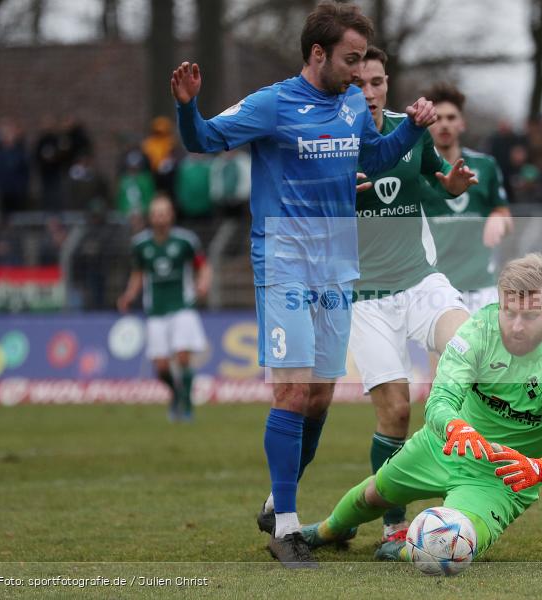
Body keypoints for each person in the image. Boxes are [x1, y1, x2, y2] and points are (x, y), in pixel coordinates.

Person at [170, 1, 438, 566]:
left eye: (365, 61)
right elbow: (204, 141)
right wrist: (187, 108)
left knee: (318, 397)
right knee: (290, 391)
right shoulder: (272, 103)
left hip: (338, 267)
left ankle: (277, 498)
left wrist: (411, 130)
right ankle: (287, 529)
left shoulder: (347, 104)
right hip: (285, 262)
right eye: (351, 60)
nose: (360, 74)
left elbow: (374, 152)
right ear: (318, 54)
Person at [262, 46, 475, 545]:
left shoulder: (410, 129)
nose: (370, 93)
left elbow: (434, 183)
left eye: (377, 82)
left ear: (386, 84)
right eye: (358, 84)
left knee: (468, 346)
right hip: (360, 298)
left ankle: (456, 476)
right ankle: (392, 525)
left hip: (421, 282)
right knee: (390, 411)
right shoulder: (324, 139)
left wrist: (452, 184)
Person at [299, 253, 542, 562]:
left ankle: (404, 551)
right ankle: (329, 530)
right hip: (445, 445)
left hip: (504, 476)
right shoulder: (477, 332)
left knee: (453, 544)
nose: (517, 327)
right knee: (377, 492)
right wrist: (454, 426)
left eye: (530, 315)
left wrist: (541, 467)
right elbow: (440, 400)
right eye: (509, 313)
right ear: (499, 302)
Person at [117, 195, 211, 421]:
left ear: (171, 215)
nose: (160, 217)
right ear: (151, 216)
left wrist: (203, 283)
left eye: (164, 212)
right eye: (156, 213)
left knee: (182, 357)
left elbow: (203, 266)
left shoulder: (185, 241)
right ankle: (177, 394)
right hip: (156, 310)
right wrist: (129, 295)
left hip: (182, 306)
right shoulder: (140, 245)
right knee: (160, 366)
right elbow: (138, 274)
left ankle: (187, 407)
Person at [424, 82, 513, 313]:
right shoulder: (416, 170)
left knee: (488, 349)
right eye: (438, 117)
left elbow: (505, 215)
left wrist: (498, 216)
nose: (444, 123)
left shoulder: (486, 166)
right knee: (444, 350)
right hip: (436, 284)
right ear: (428, 123)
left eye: (451, 117)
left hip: (481, 284)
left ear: (461, 123)